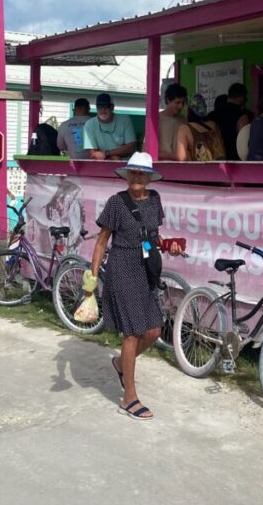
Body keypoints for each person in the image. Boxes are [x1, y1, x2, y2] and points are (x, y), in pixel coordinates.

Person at [86, 152, 183, 420]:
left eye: (142, 173)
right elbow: (101, 241)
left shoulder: (154, 200)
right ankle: (129, 397)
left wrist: (169, 246)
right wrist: (92, 278)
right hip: (122, 268)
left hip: (147, 270)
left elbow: (152, 235)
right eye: (133, 172)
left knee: (152, 331)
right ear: (127, 175)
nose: (137, 177)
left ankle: (120, 363)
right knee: (131, 333)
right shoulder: (116, 203)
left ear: (150, 177)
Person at [83, 93, 136, 161]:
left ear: (112, 107)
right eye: (99, 106)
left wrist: (106, 153)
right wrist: (113, 157)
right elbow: (93, 153)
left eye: (106, 106)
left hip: (125, 166)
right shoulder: (89, 124)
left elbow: (131, 148)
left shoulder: (125, 120)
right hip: (102, 165)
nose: (103, 109)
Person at [176, 93, 225, 161]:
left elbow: (181, 158)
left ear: (189, 110)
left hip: (198, 170)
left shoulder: (184, 129)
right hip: (218, 169)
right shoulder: (213, 125)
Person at [213, 82, 253, 160]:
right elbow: (244, 143)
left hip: (215, 159)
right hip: (235, 160)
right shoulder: (242, 115)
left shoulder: (212, 115)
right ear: (241, 97)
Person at [157, 83, 188, 161]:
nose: (181, 106)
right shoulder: (156, 119)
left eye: (182, 103)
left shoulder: (183, 121)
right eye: (177, 102)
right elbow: (147, 149)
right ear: (168, 100)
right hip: (160, 167)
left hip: (180, 168)